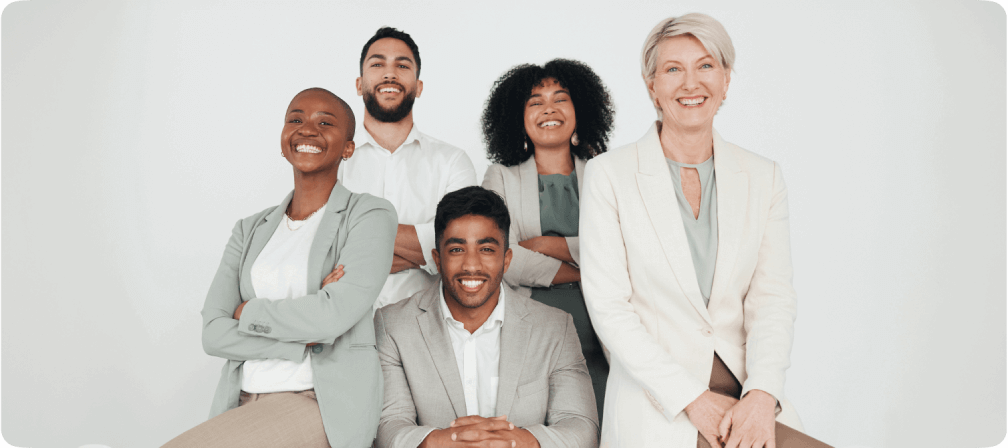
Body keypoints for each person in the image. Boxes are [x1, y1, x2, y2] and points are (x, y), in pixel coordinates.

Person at [579, 13, 831, 448]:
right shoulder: (609, 175)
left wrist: (762, 393)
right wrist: (692, 398)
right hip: (661, 400)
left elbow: (772, 300)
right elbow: (609, 308)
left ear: (726, 80)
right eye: (673, 69)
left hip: (746, 391)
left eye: (706, 66)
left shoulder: (763, 176)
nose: (690, 83)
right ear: (651, 86)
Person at [164, 88, 397, 448]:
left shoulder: (368, 215)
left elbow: (333, 317)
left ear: (348, 148)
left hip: (316, 402)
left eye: (325, 122)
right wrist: (302, 339)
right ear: (283, 138)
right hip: (240, 399)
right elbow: (213, 333)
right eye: (296, 119)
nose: (307, 129)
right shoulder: (249, 229)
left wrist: (248, 312)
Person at [374, 186, 599, 448]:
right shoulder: (393, 325)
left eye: (487, 250)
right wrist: (446, 442)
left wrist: (515, 441)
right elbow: (388, 426)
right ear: (437, 259)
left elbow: (581, 427)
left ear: (506, 260)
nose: (471, 265)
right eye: (457, 249)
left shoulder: (555, 328)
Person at [479, 58, 614, 423]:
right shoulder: (500, 178)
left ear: (579, 110)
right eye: (535, 101)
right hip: (532, 338)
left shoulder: (608, 173)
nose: (549, 109)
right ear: (518, 117)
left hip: (608, 339)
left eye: (561, 98)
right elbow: (502, 258)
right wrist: (587, 268)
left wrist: (545, 244)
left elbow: (624, 251)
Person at [339, 26, 477, 312]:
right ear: (358, 84)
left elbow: (461, 245)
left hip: (425, 329)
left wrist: (357, 239)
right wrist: (426, 249)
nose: (390, 74)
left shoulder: (452, 161)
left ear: (419, 86)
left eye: (402, 65)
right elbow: (317, 243)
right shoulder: (334, 160)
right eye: (377, 64)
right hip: (343, 327)